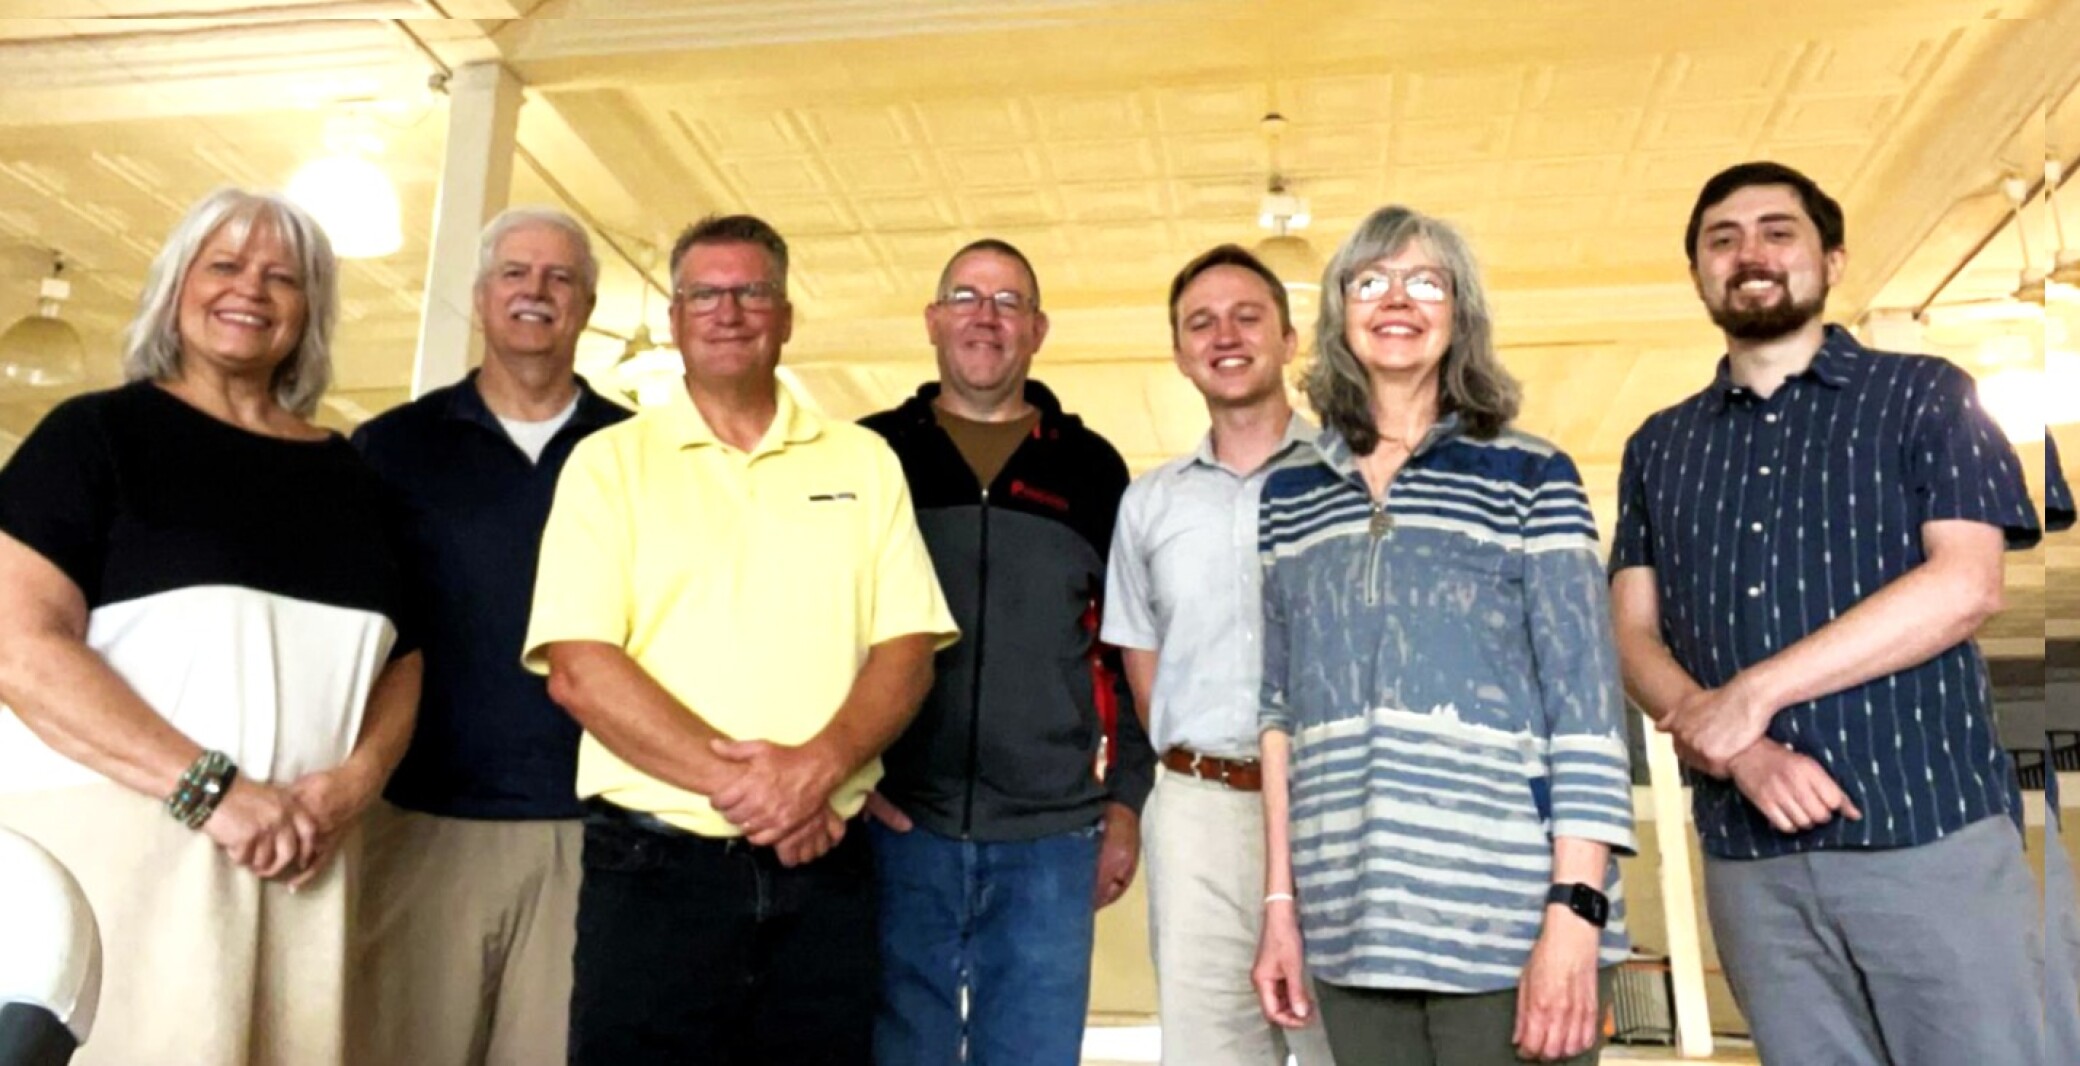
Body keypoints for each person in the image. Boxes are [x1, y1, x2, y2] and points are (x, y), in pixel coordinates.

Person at [1609, 160, 2052, 1065]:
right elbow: (1629, 634)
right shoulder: (1660, 445)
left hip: (1926, 831)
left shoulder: (1926, 393)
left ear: (1833, 260)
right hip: (1749, 855)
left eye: (1778, 232)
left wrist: (1752, 695)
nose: (1750, 253)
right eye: (1722, 240)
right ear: (1698, 273)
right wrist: (1742, 751)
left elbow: (1967, 585)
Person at [0, 187, 420, 1066]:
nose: (251, 289)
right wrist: (211, 793)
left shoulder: (357, 481)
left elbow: (404, 659)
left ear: (309, 311)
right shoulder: (94, 437)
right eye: (224, 265)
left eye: (283, 277)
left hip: (301, 864)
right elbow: (17, 646)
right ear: (176, 287)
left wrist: (353, 785)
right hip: (126, 855)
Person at [523, 213, 956, 1066]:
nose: (728, 312)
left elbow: (907, 653)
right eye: (705, 295)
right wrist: (767, 797)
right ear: (676, 317)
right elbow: (579, 669)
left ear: (785, 316)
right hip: (654, 869)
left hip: (826, 869)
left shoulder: (865, 461)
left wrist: (818, 770)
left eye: (752, 292)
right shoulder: (607, 463)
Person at [1251, 205, 1635, 1066]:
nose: (1397, 299)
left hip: (1511, 921)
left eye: (1427, 281)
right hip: (1350, 923)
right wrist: (1282, 906)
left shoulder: (1532, 475)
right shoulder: (1288, 497)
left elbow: (1586, 706)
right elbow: (1279, 714)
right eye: (1371, 281)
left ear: (1461, 313)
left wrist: (1574, 913)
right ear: (1339, 313)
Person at [860, 238, 1155, 1066]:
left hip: (1051, 842)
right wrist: (844, 777)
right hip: (895, 828)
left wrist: (1126, 803)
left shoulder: (1092, 469)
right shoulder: (871, 457)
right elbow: (816, 629)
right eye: (965, 296)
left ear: (1038, 329)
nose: (985, 317)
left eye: (1008, 301)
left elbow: (1131, 649)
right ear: (932, 320)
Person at [347, 207, 630, 1066]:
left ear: (586, 306)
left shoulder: (636, 450)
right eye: (514, 272)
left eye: (559, 277)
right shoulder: (389, 449)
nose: (535, 291)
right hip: (418, 824)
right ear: (479, 298)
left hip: (589, 830)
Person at [1102, 244, 1334, 1066]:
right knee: (1211, 1050)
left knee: (1349, 1043)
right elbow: (1144, 671)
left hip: (1334, 803)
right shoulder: (1149, 505)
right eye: (1201, 323)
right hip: (1198, 812)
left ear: (1288, 338)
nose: (1224, 336)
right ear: (1179, 353)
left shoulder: (1352, 480)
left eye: (1247, 317)